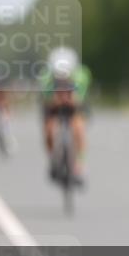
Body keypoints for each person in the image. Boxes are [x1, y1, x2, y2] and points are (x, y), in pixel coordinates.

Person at [40, 47, 91, 184]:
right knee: (49, 130)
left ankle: (79, 164)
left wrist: (72, 101)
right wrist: (55, 101)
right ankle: (52, 158)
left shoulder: (81, 75)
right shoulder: (46, 77)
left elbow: (80, 98)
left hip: (73, 106)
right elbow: (46, 100)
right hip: (53, 107)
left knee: (79, 128)